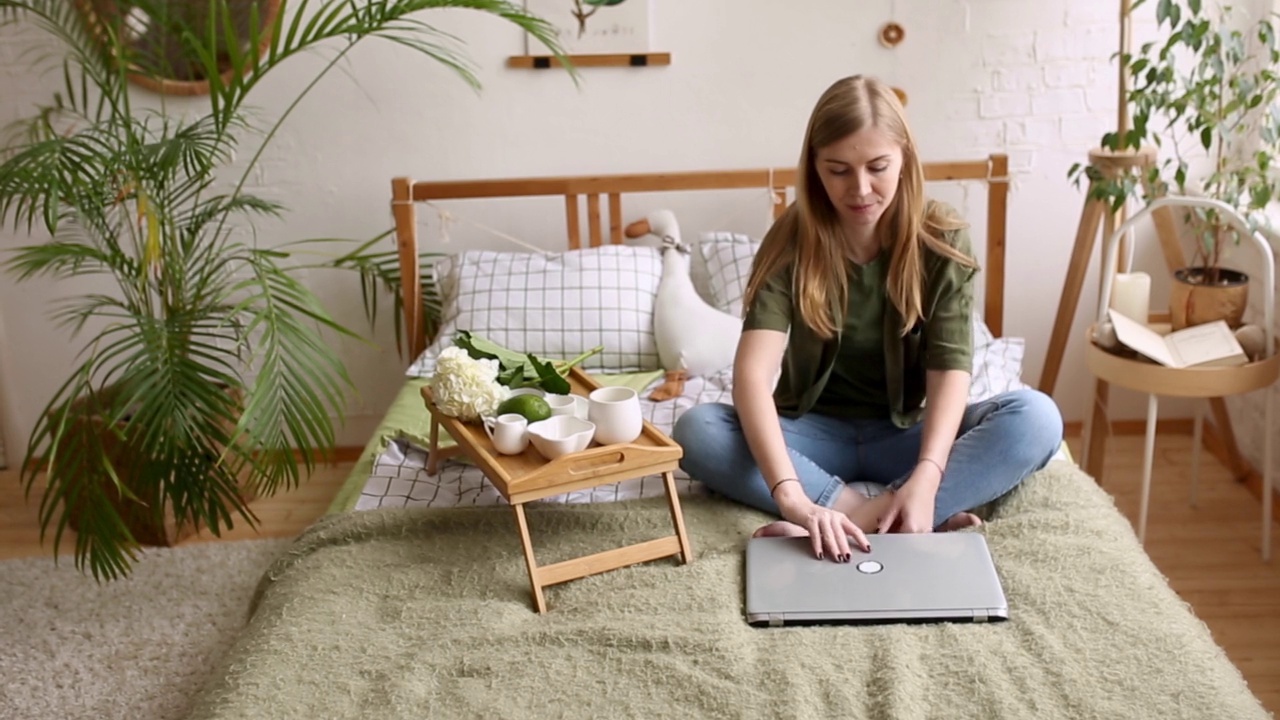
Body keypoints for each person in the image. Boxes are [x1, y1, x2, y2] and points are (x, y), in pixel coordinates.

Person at [672, 75, 1063, 563]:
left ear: (905, 159)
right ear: (815, 169)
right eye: (838, 170)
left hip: (907, 434)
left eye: (878, 167)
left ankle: (884, 513)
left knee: (1037, 419)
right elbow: (751, 377)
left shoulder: (941, 239)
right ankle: (897, 521)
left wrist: (928, 474)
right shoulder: (792, 237)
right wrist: (793, 496)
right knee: (696, 430)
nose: (860, 190)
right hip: (809, 432)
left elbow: (950, 370)